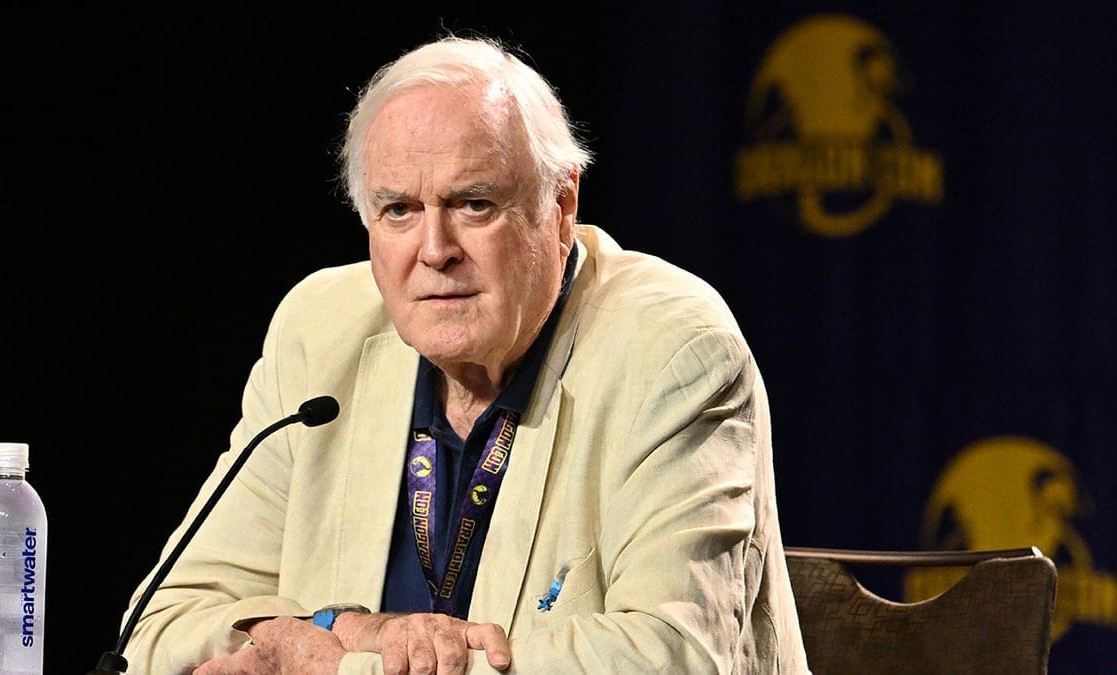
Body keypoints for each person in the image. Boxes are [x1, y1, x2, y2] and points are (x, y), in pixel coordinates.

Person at [122, 35, 809, 674]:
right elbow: (160, 625)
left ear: (561, 203)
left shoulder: (671, 351)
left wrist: (337, 664)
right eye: (398, 210)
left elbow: (673, 655)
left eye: (473, 204)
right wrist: (354, 628)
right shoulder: (319, 333)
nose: (433, 249)